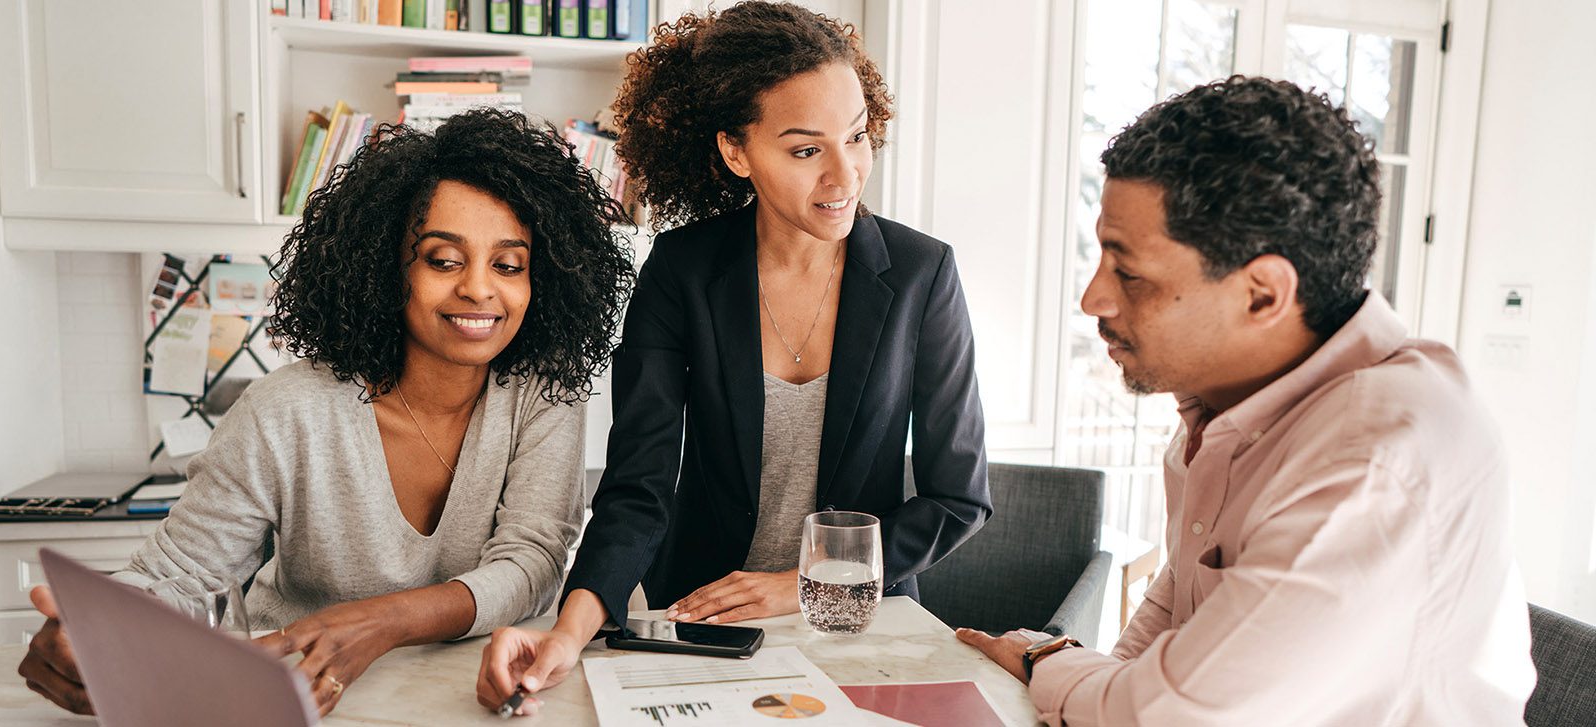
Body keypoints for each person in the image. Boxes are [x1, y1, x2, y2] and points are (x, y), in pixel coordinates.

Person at [956, 76, 1537, 725]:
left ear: (1263, 294)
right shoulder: (1225, 404)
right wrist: (1090, 693)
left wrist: (1051, 662)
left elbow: (1174, 714)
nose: (1094, 298)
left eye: (1129, 271)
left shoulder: (1374, 459)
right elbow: (1180, 596)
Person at [17, 109, 636, 717]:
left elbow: (531, 563)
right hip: (297, 699)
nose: (478, 288)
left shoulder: (542, 396)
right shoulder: (286, 410)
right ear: (388, 266)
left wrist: (383, 620)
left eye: (509, 264)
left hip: (482, 698)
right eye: (443, 260)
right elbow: (176, 577)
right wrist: (96, 628)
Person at [476, 2, 992, 715]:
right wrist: (569, 631)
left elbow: (956, 497)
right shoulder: (681, 272)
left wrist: (802, 582)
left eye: (858, 136)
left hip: (857, 621)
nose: (845, 175)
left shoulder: (921, 274)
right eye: (807, 150)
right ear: (736, 151)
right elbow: (639, 482)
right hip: (703, 615)